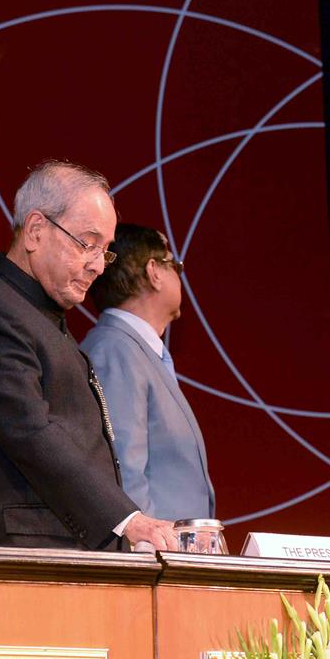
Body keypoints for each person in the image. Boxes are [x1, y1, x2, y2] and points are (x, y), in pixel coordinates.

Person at [0, 162, 178, 551]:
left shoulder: (36, 313)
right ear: (36, 230)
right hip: (14, 565)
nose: (97, 265)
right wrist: (126, 518)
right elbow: (31, 432)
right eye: (86, 243)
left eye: (105, 251)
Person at [82, 224, 215, 523]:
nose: (179, 275)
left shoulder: (136, 351)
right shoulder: (114, 350)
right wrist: (146, 557)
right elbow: (123, 472)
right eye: (174, 265)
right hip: (152, 559)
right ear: (154, 272)